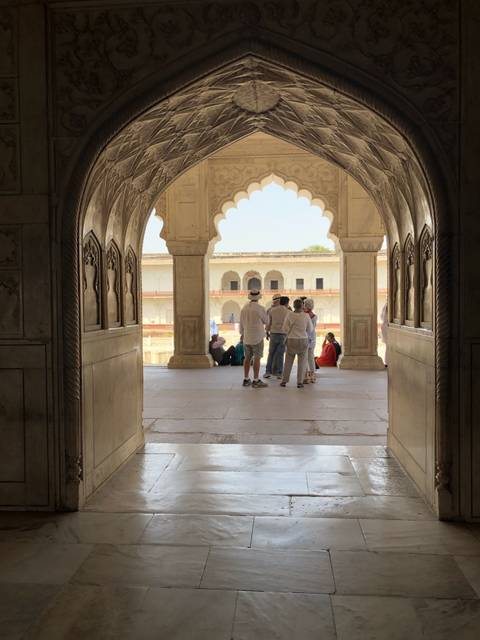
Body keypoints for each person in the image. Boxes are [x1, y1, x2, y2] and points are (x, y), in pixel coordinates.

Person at [280, 298, 313, 388]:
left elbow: (284, 329)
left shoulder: (289, 315)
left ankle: (284, 381)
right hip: (303, 339)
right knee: (302, 362)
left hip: (291, 340)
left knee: (288, 361)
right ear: (302, 306)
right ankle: (300, 382)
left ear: (294, 306)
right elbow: (310, 329)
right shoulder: (306, 316)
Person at [239, 289, 268, 388]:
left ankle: (246, 379)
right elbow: (266, 321)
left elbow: (241, 323)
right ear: (258, 297)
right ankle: (256, 380)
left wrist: (242, 333)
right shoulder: (260, 308)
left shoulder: (244, 308)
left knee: (247, 358)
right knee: (257, 358)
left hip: (247, 336)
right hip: (258, 337)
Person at [264, 294, 289, 379]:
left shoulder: (271, 311)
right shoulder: (288, 312)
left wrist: (267, 332)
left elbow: (268, 323)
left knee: (271, 353)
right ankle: (279, 373)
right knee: (281, 355)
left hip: (273, 333)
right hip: (283, 335)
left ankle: (268, 372)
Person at [303, 298, 317, 383]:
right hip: (312, 337)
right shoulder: (314, 316)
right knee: (311, 357)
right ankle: (312, 375)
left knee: (304, 357)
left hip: (305, 336)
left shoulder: (304, 315)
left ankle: (306, 375)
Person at [380, 301, 388, 367]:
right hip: (387, 327)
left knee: (388, 346)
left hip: (385, 326)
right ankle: (388, 362)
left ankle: (387, 362)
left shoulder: (386, 305)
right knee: (389, 346)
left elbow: (381, 316)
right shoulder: (387, 305)